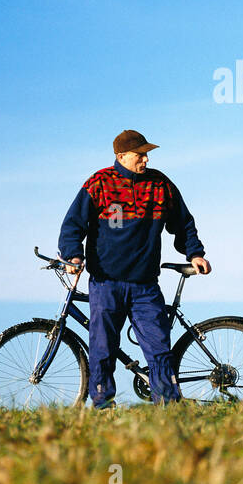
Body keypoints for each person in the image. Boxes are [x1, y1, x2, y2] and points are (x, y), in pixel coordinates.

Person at [58, 130, 210, 408]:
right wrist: (73, 256)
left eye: (147, 153)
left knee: (159, 349)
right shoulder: (99, 183)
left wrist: (195, 253)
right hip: (106, 283)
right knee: (102, 349)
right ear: (121, 156)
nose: (146, 158)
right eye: (140, 154)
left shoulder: (160, 185)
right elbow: (73, 225)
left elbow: (183, 222)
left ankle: (168, 407)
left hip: (145, 285)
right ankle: (103, 406)